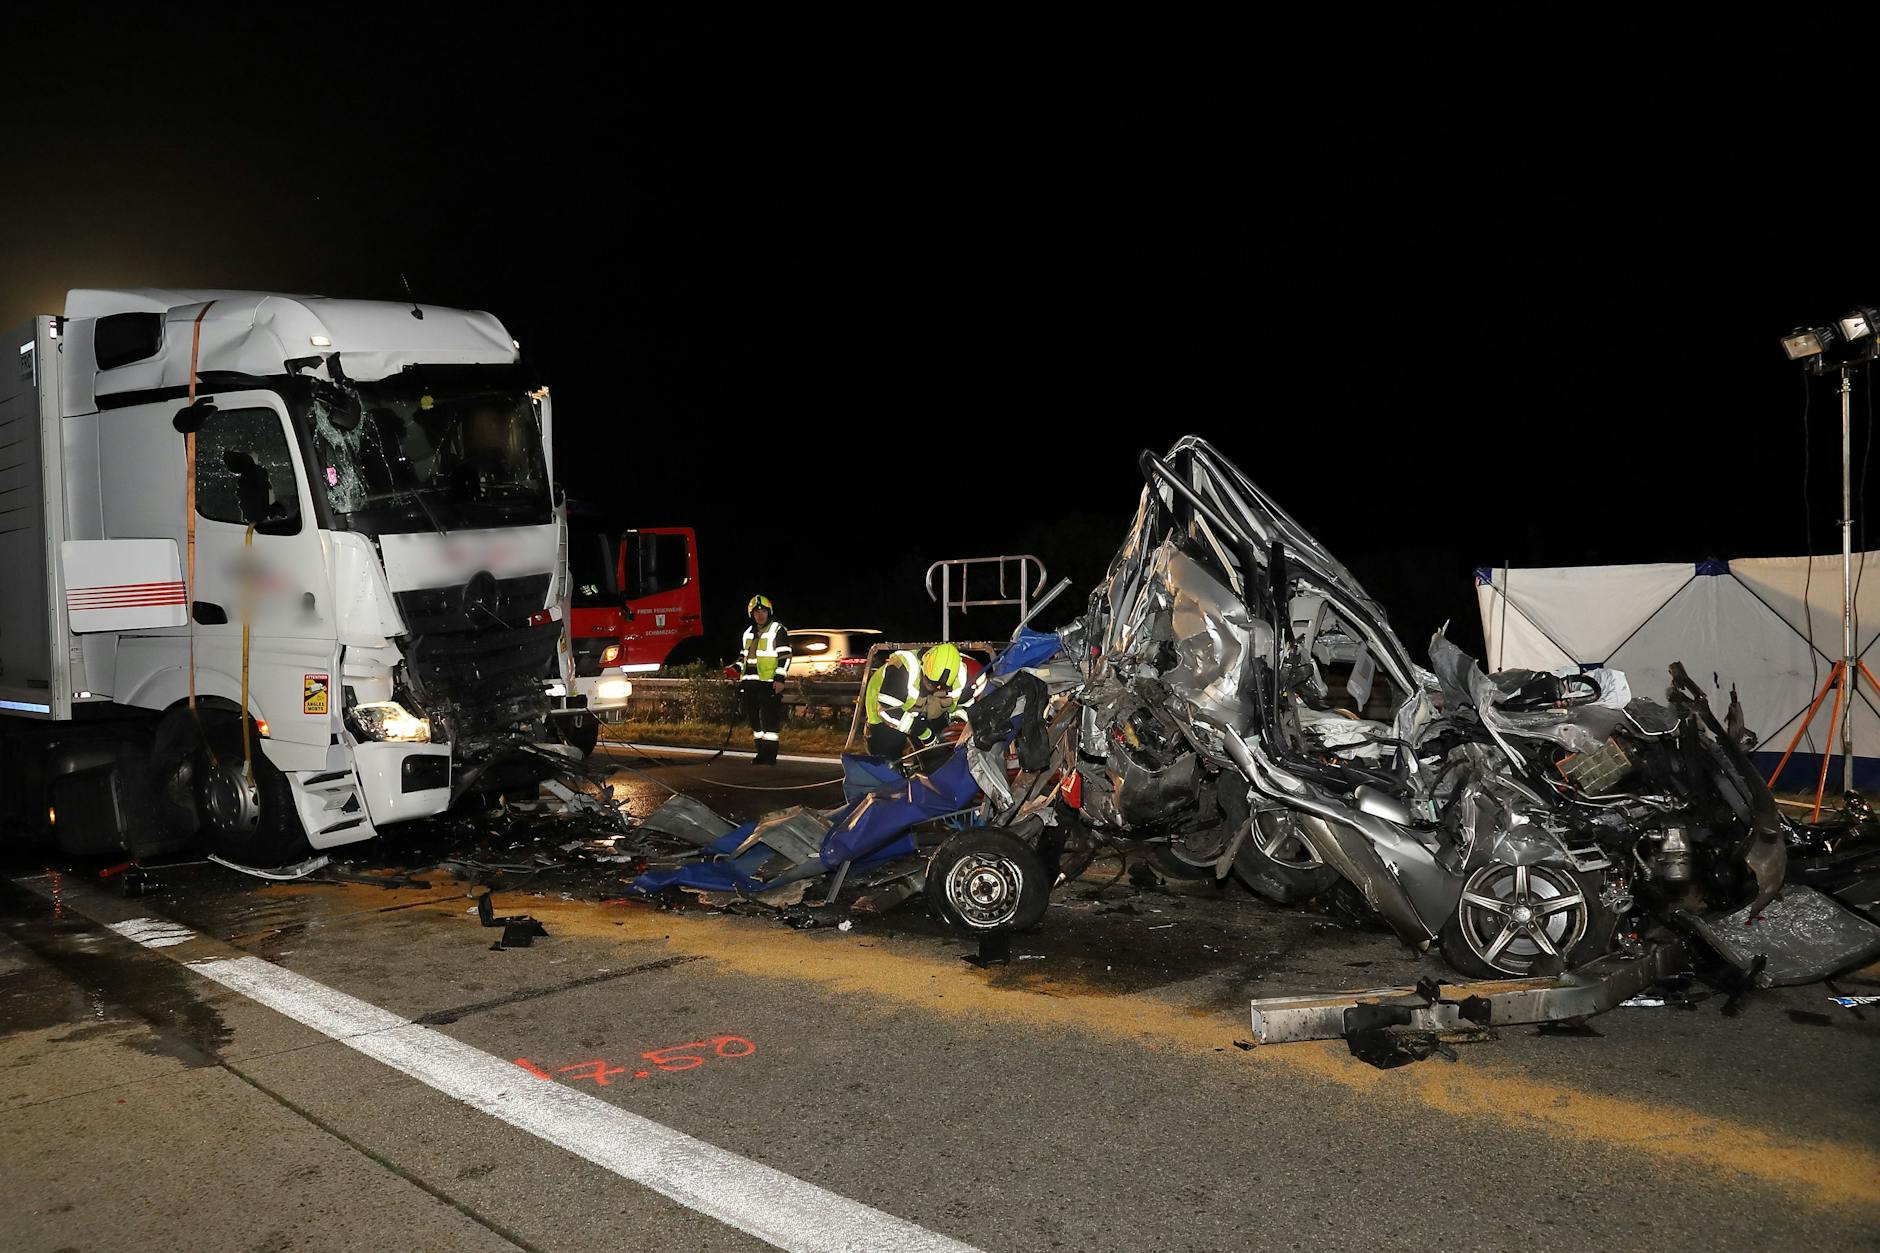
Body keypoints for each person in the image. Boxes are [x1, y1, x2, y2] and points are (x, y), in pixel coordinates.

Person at [864, 642, 971, 764]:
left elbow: (956, 707)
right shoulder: (903, 667)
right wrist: (926, 735)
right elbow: (888, 712)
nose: (933, 689)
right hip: (885, 713)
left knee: (941, 756)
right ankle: (893, 774)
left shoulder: (960, 675)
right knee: (888, 759)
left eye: (940, 688)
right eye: (929, 684)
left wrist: (958, 725)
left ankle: (926, 772)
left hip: (921, 710)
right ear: (924, 664)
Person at [731, 595, 792, 764]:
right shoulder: (748, 633)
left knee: (769, 721)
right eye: (756, 612)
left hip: (768, 683)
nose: (760, 615)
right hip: (749, 682)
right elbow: (744, 656)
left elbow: (785, 656)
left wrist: (780, 679)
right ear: (752, 614)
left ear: (769, 612)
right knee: (754, 720)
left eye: (763, 611)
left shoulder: (777, 630)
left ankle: (769, 756)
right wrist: (734, 669)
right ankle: (760, 753)